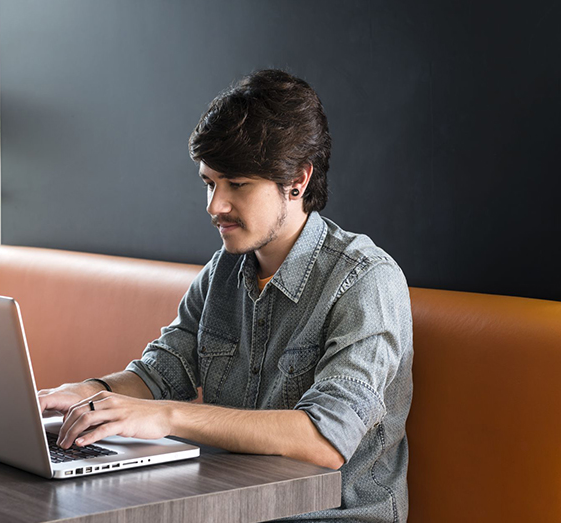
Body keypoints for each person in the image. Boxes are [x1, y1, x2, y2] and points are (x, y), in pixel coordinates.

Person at [38, 69, 413, 522]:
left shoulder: (366, 280)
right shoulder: (225, 268)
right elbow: (163, 371)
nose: (214, 205)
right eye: (209, 183)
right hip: (230, 507)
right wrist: (89, 393)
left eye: (237, 184)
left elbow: (325, 440)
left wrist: (167, 418)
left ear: (297, 180)